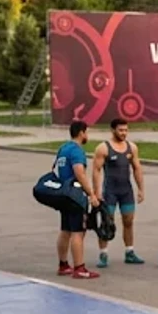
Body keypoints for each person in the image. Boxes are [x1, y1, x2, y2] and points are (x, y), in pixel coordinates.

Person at [91, 118, 145, 267]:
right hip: (110, 192)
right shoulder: (103, 148)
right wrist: (96, 192)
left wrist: (141, 189)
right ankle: (103, 254)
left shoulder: (131, 147)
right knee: (107, 223)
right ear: (113, 130)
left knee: (128, 221)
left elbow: (137, 168)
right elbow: (96, 170)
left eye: (126, 130)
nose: (124, 133)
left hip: (126, 191)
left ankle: (130, 252)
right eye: (121, 130)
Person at [52, 120, 100, 279]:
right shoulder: (77, 151)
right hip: (75, 195)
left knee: (65, 230)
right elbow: (79, 173)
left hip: (63, 194)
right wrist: (91, 193)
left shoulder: (63, 149)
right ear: (81, 133)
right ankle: (79, 268)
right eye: (87, 132)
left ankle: (63, 264)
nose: (87, 135)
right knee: (78, 232)